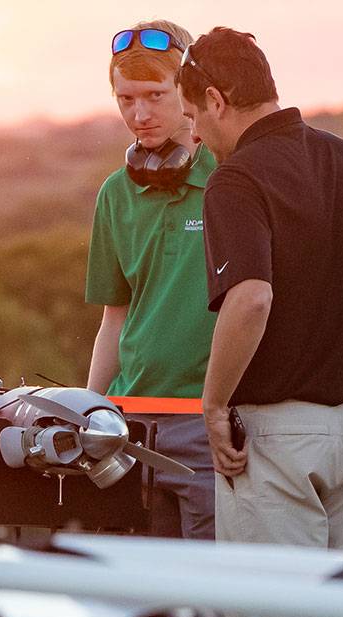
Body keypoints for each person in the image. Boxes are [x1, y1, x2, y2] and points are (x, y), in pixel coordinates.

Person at [178, 28, 343, 552]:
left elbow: (251, 297)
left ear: (215, 100)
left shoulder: (235, 179)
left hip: (275, 439)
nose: (196, 135)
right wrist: (341, 366)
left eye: (193, 118)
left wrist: (213, 406)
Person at [84, 19, 219, 540]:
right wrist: (88, 411)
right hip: (129, 427)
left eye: (155, 96)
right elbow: (114, 318)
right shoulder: (114, 195)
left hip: (210, 425)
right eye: (126, 99)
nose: (139, 115)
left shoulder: (235, 181)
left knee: (212, 605)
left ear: (189, 94)